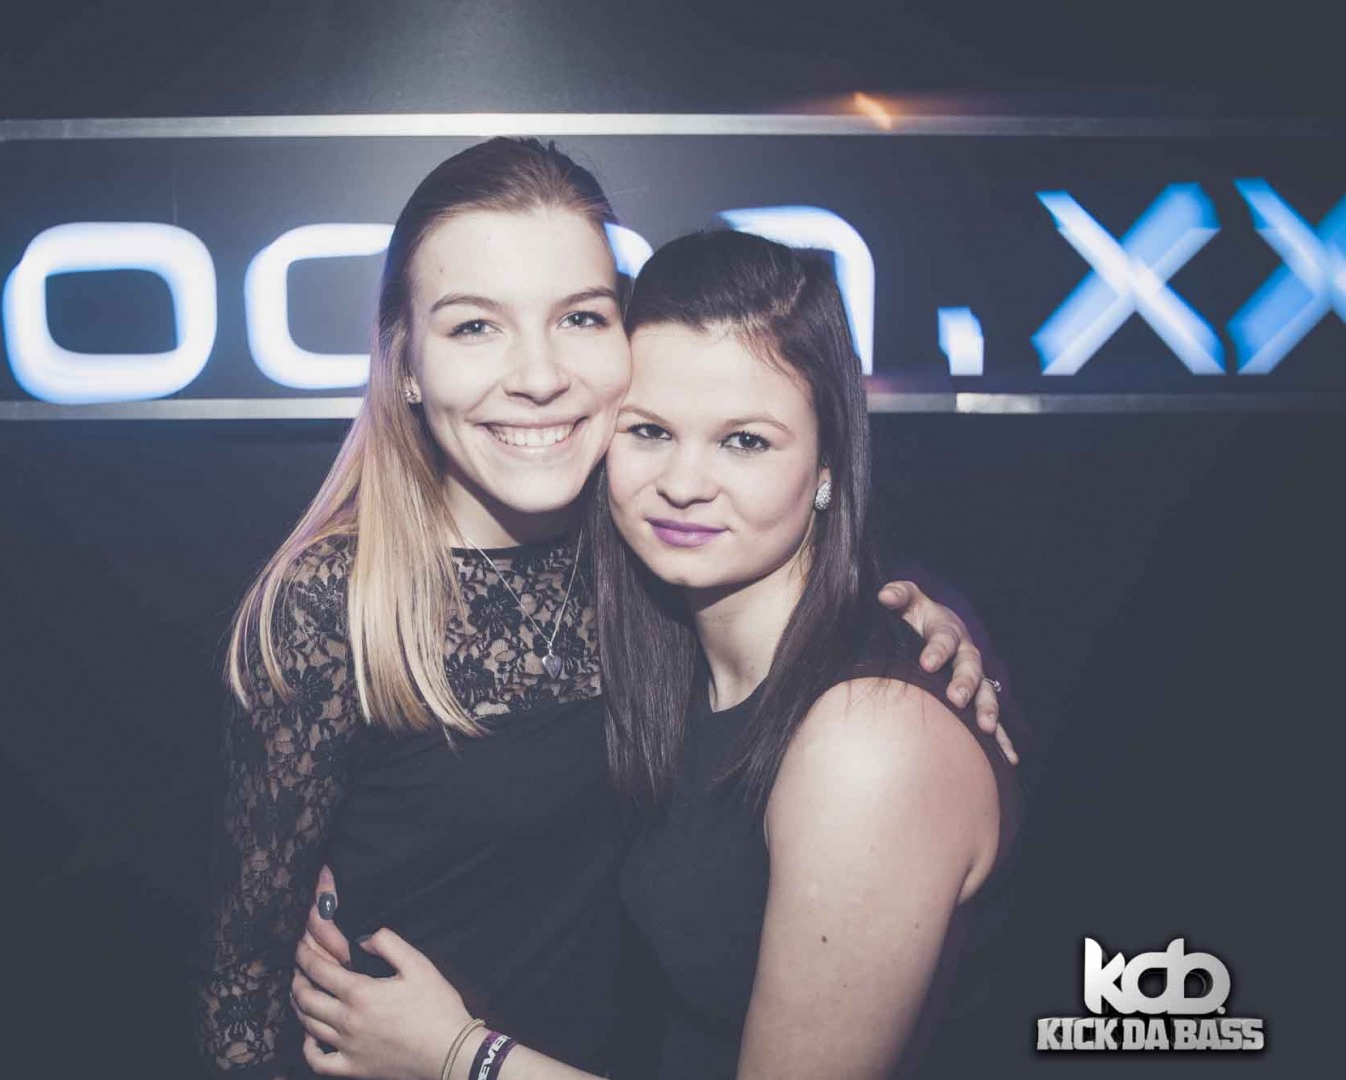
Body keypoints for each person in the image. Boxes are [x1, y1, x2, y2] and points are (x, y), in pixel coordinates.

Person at [194, 139, 1009, 1077]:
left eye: (579, 317)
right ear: (404, 361)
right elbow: (241, 982)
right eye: (474, 326)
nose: (538, 375)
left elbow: (789, 561)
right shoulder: (333, 603)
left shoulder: (642, 551)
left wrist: (918, 619)